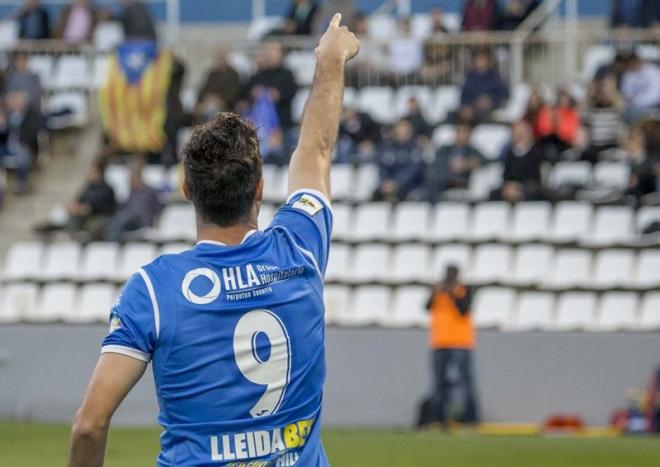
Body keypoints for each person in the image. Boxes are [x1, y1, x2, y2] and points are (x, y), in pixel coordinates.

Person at [68, 13, 359, 467]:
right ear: (260, 189)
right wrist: (331, 59)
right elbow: (316, 149)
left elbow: (90, 424)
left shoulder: (154, 289)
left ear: (186, 191)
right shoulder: (300, 248)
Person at [426, 264, 479, 427]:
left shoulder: (464, 289)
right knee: (438, 384)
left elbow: (464, 309)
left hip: (461, 342)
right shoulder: (438, 291)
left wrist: (452, 293)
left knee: (465, 383)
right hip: (439, 341)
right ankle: (439, 419)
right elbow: (427, 307)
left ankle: (470, 419)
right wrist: (435, 292)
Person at [243, 42, 298, 133]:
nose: (270, 55)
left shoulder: (287, 74)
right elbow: (245, 94)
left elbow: (292, 91)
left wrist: (279, 95)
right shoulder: (256, 76)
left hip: (282, 122)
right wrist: (253, 93)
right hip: (259, 124)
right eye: (268, 51)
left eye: (273, 51)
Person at [425, 122, 486, 201]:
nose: (461, 136)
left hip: (463, 181)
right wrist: (450, 164)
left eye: (464, 133)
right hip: (445, 178)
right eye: (459, 132)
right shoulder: (445, 149)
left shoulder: (473, 150)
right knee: (431, 176)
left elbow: (487, 161)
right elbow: (436, 162)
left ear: (469, 135)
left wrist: (468, 163)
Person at [105, 164, 161, 241]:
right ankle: (114, 243)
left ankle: (112, 244)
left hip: (143, 219)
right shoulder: (132, 192)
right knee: (112, 220)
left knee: (122, 219)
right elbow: (125, 206)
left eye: (131, 179)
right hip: (130, 219)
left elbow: (157, 208)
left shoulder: (149, 191)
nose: (129, 182)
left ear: (138, 178)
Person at [373, 119, 425, 202]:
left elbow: (413, 170)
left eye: (405, 130)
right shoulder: (387, 148)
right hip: (388, 185)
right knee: (374, 196)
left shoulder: (415, 149)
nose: (402, 132)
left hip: (410, 187)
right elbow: (382, 167)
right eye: (400, 129)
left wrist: (396, 182)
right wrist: (385, 181)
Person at [495, 119, 544, 202]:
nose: (518, 135)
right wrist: (508, 187)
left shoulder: (538, 152)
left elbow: (537, 176)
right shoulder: (509, 154)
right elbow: (506, 175)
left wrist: (519, 187)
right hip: (509, 189)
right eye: (515, 132)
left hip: (530, 189)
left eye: (522, 132)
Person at [65, 159, 117, 238]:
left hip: (101, 217)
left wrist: (83, 209)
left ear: (99, 173)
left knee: (93, 226)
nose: (89, 174)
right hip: (86, 216)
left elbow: (93, 207)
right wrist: (75, 207)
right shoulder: (89, 187)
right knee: (72, 221)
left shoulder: (107, 189)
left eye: (92, 172)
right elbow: (79, 201)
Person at [582, 75, 625, 163]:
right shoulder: (592, 111)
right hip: (594, 146)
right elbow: (583, 111)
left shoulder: (616, 110)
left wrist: (609, 87)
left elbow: (619, 103)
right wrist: (591, 91)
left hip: (611, 145)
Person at [459, 48, 509, 123]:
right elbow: (464, 97)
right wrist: (473, 103)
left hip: (490, 110)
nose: (481, 62)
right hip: (473, 109)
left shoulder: (495, 77)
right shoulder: (469, 77)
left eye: (483, 59)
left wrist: (491, 101)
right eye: (478, 59)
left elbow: (504, 94)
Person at [194, 48, 242, 123]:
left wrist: (219, 100)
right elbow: (203, 89)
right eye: (218, 58)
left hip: (226, 106)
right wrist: (202, 101)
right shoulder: (211, 73)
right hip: (208, 104)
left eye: (222, 57)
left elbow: (233, 93)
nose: (220, 60)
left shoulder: (233, 75)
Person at [620, 53, 660, 124]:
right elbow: (626, 93)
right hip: (635, 105)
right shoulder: (628, 74)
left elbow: (655, 93)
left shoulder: (653, 71)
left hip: (654, 104)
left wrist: (639, 102)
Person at [388, 17, 423, 82]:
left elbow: (418, 59)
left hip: (412, 72)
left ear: (411, 26)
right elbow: (392, 59)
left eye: (407, 25)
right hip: (396, 73)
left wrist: (409, 70)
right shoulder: (395, 41)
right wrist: (397, 71)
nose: (406, 27)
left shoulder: (417, 41)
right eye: (404, 25)